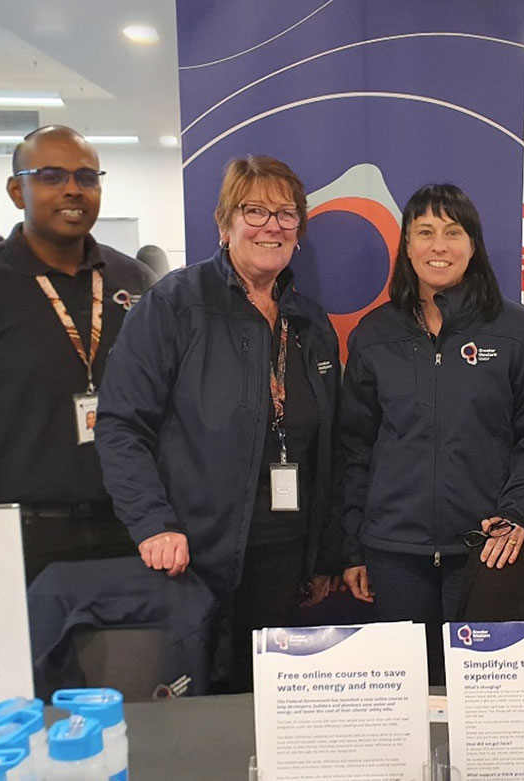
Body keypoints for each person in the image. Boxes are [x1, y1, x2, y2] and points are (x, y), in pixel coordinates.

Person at [95, 155, 341, 692]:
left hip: (286, 553)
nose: (271, 225)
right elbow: (120, 425)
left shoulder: (310, 323)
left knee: (274, 703)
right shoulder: (174, 305)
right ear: (224, 221)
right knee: (206, 706)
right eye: (255, 210)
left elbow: (330, 446)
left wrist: (324, 552)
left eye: (286, 214)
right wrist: (153, 522)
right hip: (196, 553)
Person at [0, 126, 156, 584]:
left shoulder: (135, 282)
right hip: (25, 536)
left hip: (135, 531)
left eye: (86, 177)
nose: (71, 190)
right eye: (49, 176)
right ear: (16, 191)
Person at [339, 183, 524, 680]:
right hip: (395, 553)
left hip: (486, 549)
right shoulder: (375, 334)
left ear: (473, 245)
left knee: (482, 697)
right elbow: (354, 447)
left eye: (452, 232)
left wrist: (515, 512)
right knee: (409, 696)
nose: (439, 246)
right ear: (407, 246)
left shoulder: (515, 329)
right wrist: (353, 547)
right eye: (425, 232)